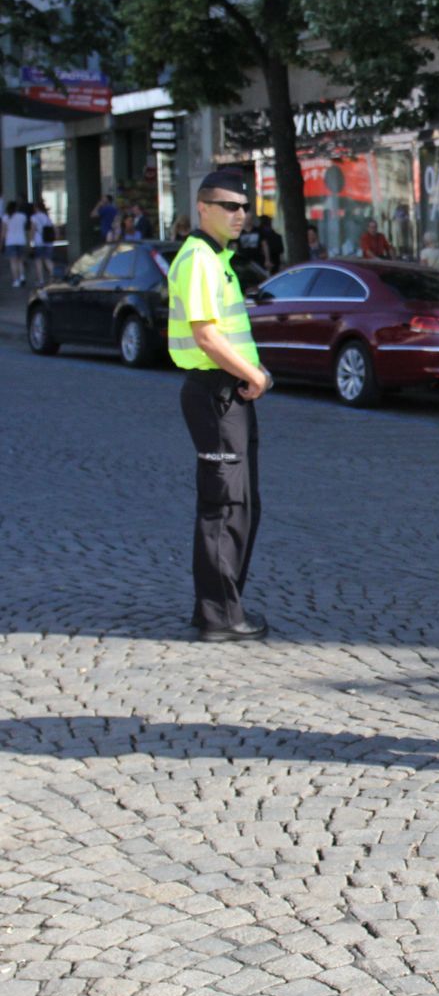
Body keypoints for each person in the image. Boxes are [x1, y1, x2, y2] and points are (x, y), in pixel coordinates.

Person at [166, 170, 271, 643]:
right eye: (229, 206)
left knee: (240, 503)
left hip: (226, 394)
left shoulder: (217, 258)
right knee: (224, 505)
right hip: (215, 393)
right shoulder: (200, 259)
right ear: (203, 207)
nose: (240, 215)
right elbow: (207, 335)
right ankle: (219, 617)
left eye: (244, 207)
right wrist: (253, 374)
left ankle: (219, 607)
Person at [30, 200, 54, 285]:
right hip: (48, 242)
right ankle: (53, 278)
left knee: (38, 261)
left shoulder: (34, 217)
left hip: (39, 241)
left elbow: (33, 229)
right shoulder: (47, 217)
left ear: (36, 208)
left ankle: (41, 280)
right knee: (48, 260)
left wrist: (31, 241)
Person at [4, 201, 28, 287]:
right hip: (21, 240)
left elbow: (4, 231)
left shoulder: (6, 217)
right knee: (20, 261)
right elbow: (24, 227)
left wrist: (2, 241)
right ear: (16, 208)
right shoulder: (22, 216)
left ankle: (16, 281)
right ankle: (22, 276)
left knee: (13, 262)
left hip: (10, 242)